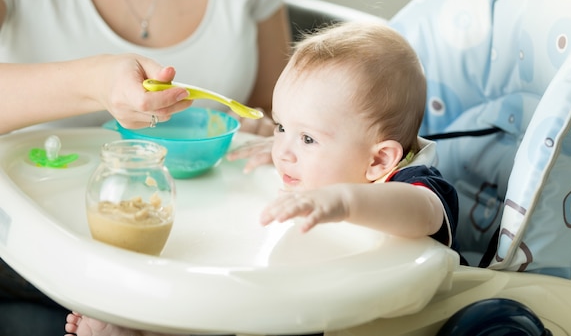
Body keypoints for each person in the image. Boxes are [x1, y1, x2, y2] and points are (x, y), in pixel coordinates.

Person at [64, 21, 459, 336]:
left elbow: (423, 212)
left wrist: (342, 201)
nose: (284, 150)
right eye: (283, 127)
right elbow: (295, 144)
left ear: (378, 162)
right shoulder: (317, 161)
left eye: (307, 138)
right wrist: (259, 132)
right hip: (299, 304)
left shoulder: (412, 183)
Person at [0, 0, 291, 334]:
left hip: (207, 259)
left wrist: (275, 135)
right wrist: (92, 83)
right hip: (36, 259)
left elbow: (268, 105)